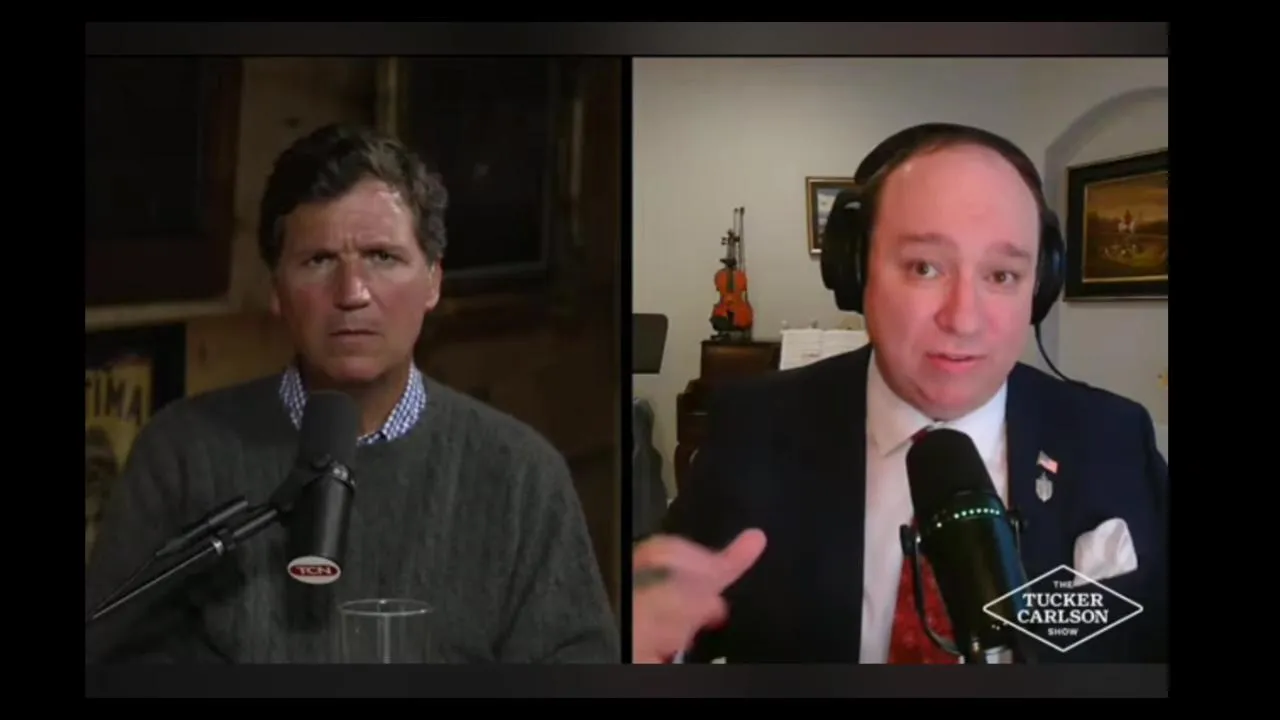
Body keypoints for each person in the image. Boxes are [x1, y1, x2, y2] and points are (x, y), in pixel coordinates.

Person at [631, 123, 1168, 664]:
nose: (963, 319)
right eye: (924, 268)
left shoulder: (1115, 438)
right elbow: (673, 625)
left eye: (1002, 275)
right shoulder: (753, 429)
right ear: (856, 272)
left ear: (1040, 286)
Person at [84, 123, 620, 664]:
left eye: (382, 257)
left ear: (433, 281)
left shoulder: (522, 475)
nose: (352, 293)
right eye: (318, 261)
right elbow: (116, 660)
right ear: (277, 290)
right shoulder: (181, 453)